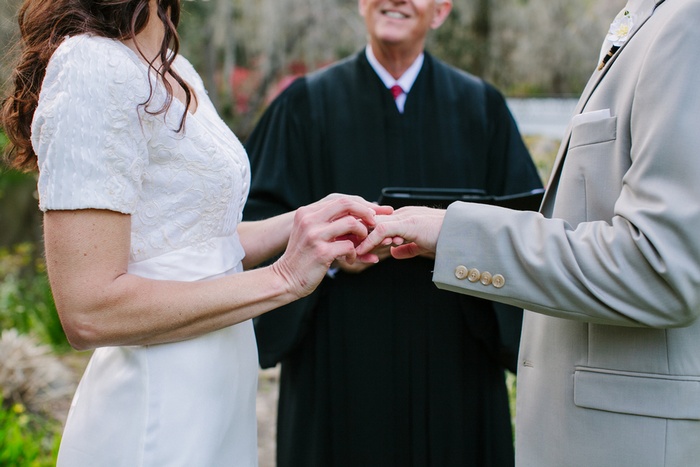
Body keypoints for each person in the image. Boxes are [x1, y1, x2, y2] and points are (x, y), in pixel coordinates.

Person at [0, 0, 390, 465]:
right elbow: (89, 310)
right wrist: (284, 278)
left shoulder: (172, 64)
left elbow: (198, 245)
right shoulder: (91, 64)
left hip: (219, 391)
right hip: (160, 405)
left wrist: (311, 226)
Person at [356, 0, 700, 465]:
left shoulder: (686, 22)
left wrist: (452, 231)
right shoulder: (645, 19)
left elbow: (663, 267)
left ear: (440, 12)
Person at [244, 0, 542, 465]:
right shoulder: (304, 105)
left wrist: (453, 242)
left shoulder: (481, 108)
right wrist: (327, 254)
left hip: (455, 363)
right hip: (340, 359)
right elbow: (259, 223)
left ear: (441, 11)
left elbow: (525, 228)